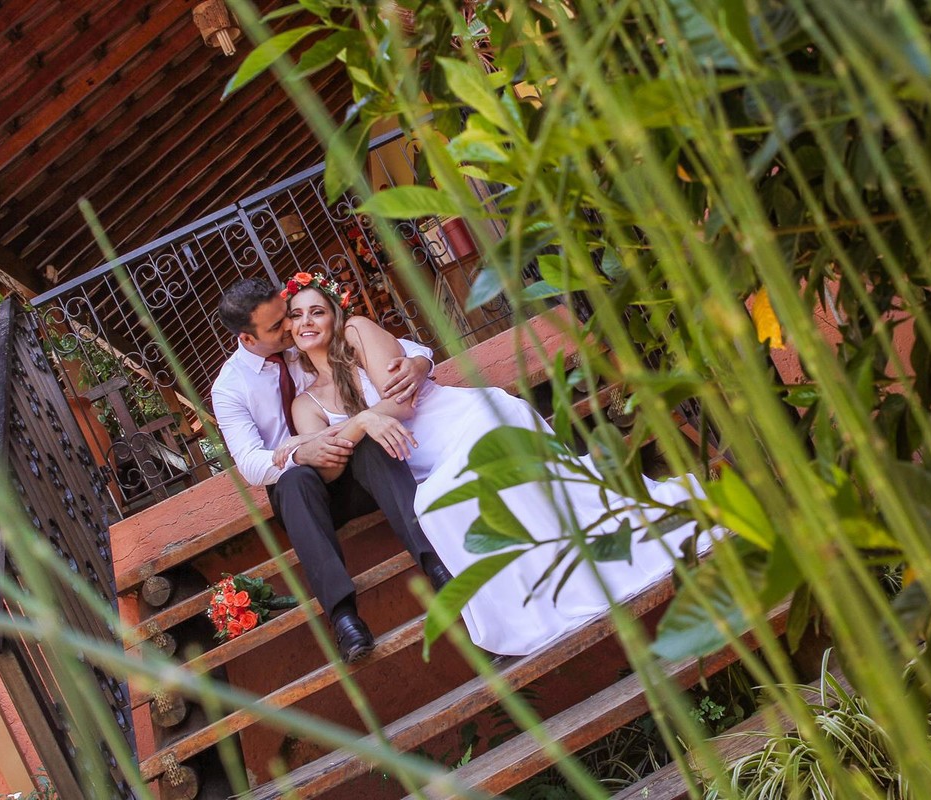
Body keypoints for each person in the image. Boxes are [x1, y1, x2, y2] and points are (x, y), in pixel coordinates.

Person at [276, 271, 718, 657]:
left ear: (335, 315)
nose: (306, 322)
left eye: (317, 312)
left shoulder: (357, 331)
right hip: (424, 459)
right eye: (296, 316)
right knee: (433, 504)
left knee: (460, 486)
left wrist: (359, 421)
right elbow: (330, 466)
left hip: (459, 421)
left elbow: (403, 403)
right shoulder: (305, 403)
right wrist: (358, 425)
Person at [212, 277, 453, 663]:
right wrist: (301, 453)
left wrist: (420, 361)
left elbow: (383, 348)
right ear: (247, 338)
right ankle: (344, 618)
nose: (290, 326)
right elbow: (251, 464)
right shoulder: (229, 388)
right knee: (294, 481)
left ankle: (438, 568)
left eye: (287, 315)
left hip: (361, 469)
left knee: (369, 440)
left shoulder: (302, 336)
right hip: (305, 489)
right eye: (277, 325)